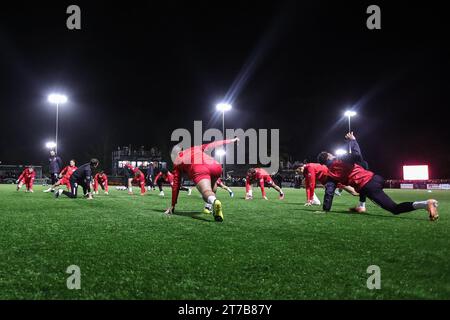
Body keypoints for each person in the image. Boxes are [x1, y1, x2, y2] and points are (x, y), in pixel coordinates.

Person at [317, 132, 439, 221]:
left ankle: (426, 203)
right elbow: (358, 156)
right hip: (376, 178)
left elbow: (329, 192)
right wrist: (353, 140)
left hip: (368, 186)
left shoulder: (331, 174)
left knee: (394, 208)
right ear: (328, 156)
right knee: (361, 182)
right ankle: (361, 207)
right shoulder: (341, 159)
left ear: (324, 163)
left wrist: (325, 209)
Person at [165, 137, 240, 222]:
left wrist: (173, 205)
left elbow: (176, 184)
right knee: (210, 192)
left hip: (200, 169)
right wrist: (231, 141)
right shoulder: (195, 148)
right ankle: (210, 207)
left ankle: (215, 201)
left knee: (206, 192)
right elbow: (213, 144)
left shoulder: (176, 161)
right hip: (215, 165)